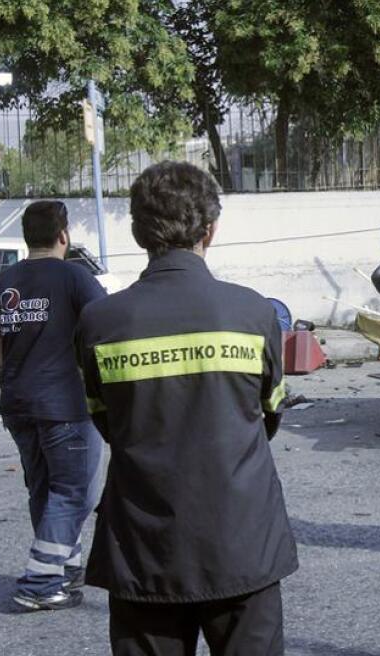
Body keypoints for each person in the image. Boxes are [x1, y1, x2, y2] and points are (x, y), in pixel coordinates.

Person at [76, 162, 297, 655]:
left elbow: (106, 421)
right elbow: (270, 414)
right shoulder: (254, 312)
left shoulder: (99, 321)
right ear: (210, 230)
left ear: (138, 233)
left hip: (143, 551)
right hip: (243, 543)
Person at [0, 200, 106, 610]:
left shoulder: (2, 283)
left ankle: (63, 570)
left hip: (16, 403)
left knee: (44, 489)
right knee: (74, 492)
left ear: (26, 237)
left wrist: (2, 369)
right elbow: (102, 329)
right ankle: (38, 584)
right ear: (63, 236)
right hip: (65, 404)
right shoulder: (76, 277)